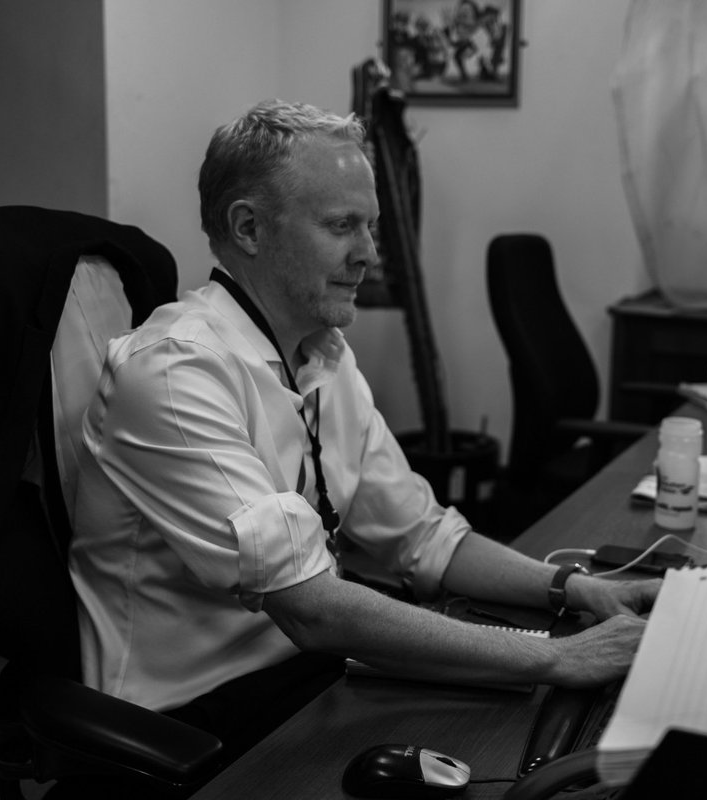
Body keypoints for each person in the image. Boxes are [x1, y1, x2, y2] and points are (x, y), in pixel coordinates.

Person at [68, 98, 659, 758]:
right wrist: (560, 659)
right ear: (249, 229)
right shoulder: (174, 372)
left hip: (310, 675)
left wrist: (578, 588)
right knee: (515, 739)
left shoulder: (323, 352)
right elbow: (314, 608)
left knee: (533, 742)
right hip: (192, 723)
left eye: (371, 228)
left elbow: (423, 538)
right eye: (343, 225)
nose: (369, 254)